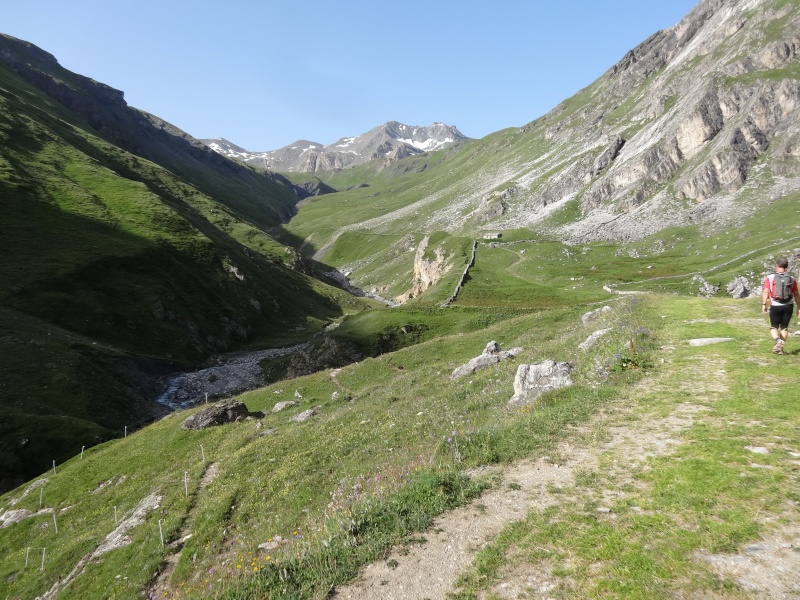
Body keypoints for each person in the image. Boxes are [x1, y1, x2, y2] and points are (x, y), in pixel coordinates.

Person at [762, 257, 800, 354]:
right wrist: (799, 308)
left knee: (773, 327)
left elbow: (766, 291)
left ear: (777, 266)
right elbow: (796, 294)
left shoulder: (770, 278)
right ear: (786, 267)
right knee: (784, 327)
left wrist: (764, 304)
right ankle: (780, 349)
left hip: (775, 305)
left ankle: (778, 340)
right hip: (788, 306)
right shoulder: (791, 279)